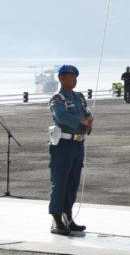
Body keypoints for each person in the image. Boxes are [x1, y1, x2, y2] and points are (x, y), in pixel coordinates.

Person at [48, 64, 93, 236]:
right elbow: (61, 116)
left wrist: (88, 124)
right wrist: (80, 122)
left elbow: (87, 114)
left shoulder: (80, 97)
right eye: (70, 76)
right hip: (63, 145)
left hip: (78, 144)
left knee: (73, 183)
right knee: (60, 182)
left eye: (75, 77)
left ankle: (68, 216)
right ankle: (56, 219)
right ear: (61, 78)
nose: (74, 80)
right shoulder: (57, 98)